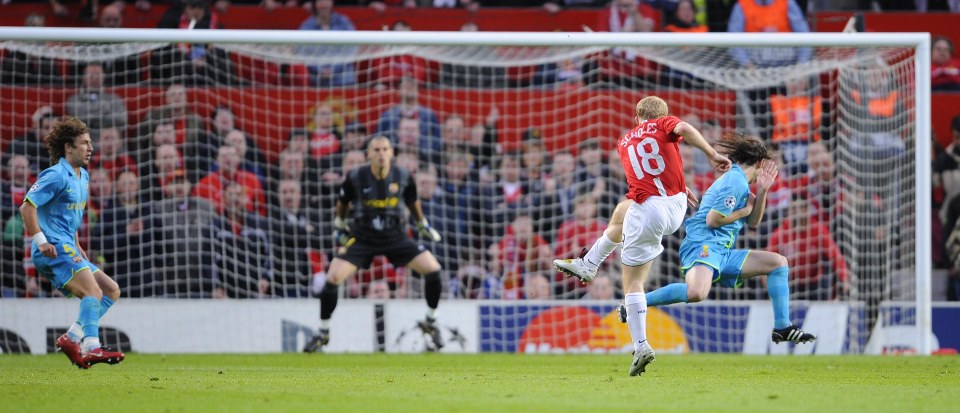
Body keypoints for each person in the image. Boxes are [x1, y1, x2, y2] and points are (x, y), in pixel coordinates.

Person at [553, 96, 730, 376]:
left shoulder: (624, 141)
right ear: (663, 115)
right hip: (676, 205)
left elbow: (659, 157)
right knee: (622, 212)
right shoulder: (664, 125)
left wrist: (710, 155)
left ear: (637, 118)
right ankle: (589, 264)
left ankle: (641, 345)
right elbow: (678, 136)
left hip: (651, 209)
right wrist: (707, 158)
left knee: (632, 282)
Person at [642, 132, 816, 356]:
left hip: (722, 251)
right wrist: (743, 210)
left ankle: (782, 327)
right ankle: (637, 302)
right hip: (703, 244)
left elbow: (753, 222)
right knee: (696, 293)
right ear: (761, 163)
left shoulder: (742, 183)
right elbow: (712, 220)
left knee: (778, 262)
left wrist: (762, 192)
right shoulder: (735, 180)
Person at [303, 136, 445, 352]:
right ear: (368, 154)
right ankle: (323, 333)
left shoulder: (403, 176)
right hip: (362, 237)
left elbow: (412, 201)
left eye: (385, 149)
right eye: (376, 149)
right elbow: (342, 202)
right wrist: (339, 225)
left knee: (433, 269)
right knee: (332, 278)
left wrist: (422, 223)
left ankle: (431, 322)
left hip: (395, 236)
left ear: (391, 153)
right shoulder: (356, 176)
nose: (381, 153)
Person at [19, 116, 125, 368]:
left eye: (90, 143)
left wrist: (77, 243)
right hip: (52, 247)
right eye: (84, 143)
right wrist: (41, 240)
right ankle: (92, 347)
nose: (90, 148)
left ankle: (72, 337)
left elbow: (70, 213)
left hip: (67, 245)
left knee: (111, 290)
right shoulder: (55, 175)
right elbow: (27, 207)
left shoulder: (84, 176)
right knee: (93, 292)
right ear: (68, 147)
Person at [64, 63, 129, 134]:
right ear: (83, 77)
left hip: (109, 141)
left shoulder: (114, 98)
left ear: (104, 77)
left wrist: (90, 117)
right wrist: (105, 110)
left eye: (98, 75)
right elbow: (77, 121)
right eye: (91, 75)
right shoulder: (73, 99)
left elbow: (122, 120)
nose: (94, 78)